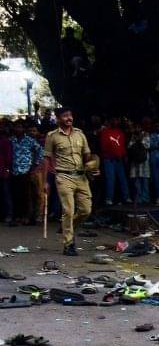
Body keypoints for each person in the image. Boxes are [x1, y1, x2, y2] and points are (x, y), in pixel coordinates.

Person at [45, 108, 94, 256]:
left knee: (86, 210)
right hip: (63, 177)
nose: (69, 118)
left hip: (81, 177)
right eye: (65, 116)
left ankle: (67, 226)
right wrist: (46, 182)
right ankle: (69, 244)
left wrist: (92, 166)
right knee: (68, 210)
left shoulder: (80, 134)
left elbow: (87, 155)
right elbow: (47, 159)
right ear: (58, 119)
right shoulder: (52, 136)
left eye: (70, 115)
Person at [10, 124, 45, 224]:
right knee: (16, 195)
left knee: (29, 195)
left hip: (27, 170)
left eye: (20, 127)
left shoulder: (29, 140)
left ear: (23, 129)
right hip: (14, 170)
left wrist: (36, 165)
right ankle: (18, 216)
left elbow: (40, 151)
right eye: (16, 127)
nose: (18, 129)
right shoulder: (12, 140)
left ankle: (28, 216)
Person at [98, 117, 129, 205]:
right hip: (109, 159)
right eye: (114, 120)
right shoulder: (105, 132)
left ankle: (126, 197)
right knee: (110, 179)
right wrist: (114, 155)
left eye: (117, 120)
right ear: (110, 121)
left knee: (122, 178)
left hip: (119, 159)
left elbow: (122, 146)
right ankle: (109, 198)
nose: (116, 121)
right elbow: (104, 147)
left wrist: (124, 155)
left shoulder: (120, 132)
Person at [127, 125, 151, 205]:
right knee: (136, 182)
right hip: (135, 162)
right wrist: (135, 139)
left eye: (138, 127)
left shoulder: (146, 135)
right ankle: (138, 199)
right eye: (136, 127)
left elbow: (148, 146)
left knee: (145, 181)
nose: (137, 128)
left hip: (144, 162)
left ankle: (146, 199)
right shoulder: (133, 136)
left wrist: (141, 140)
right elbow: (129, 147)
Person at [0, 121, 11, 225]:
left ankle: (8, 215)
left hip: (3, 171)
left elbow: (8, 157)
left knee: (6, 194)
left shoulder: (4, 141)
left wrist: (7, 169)